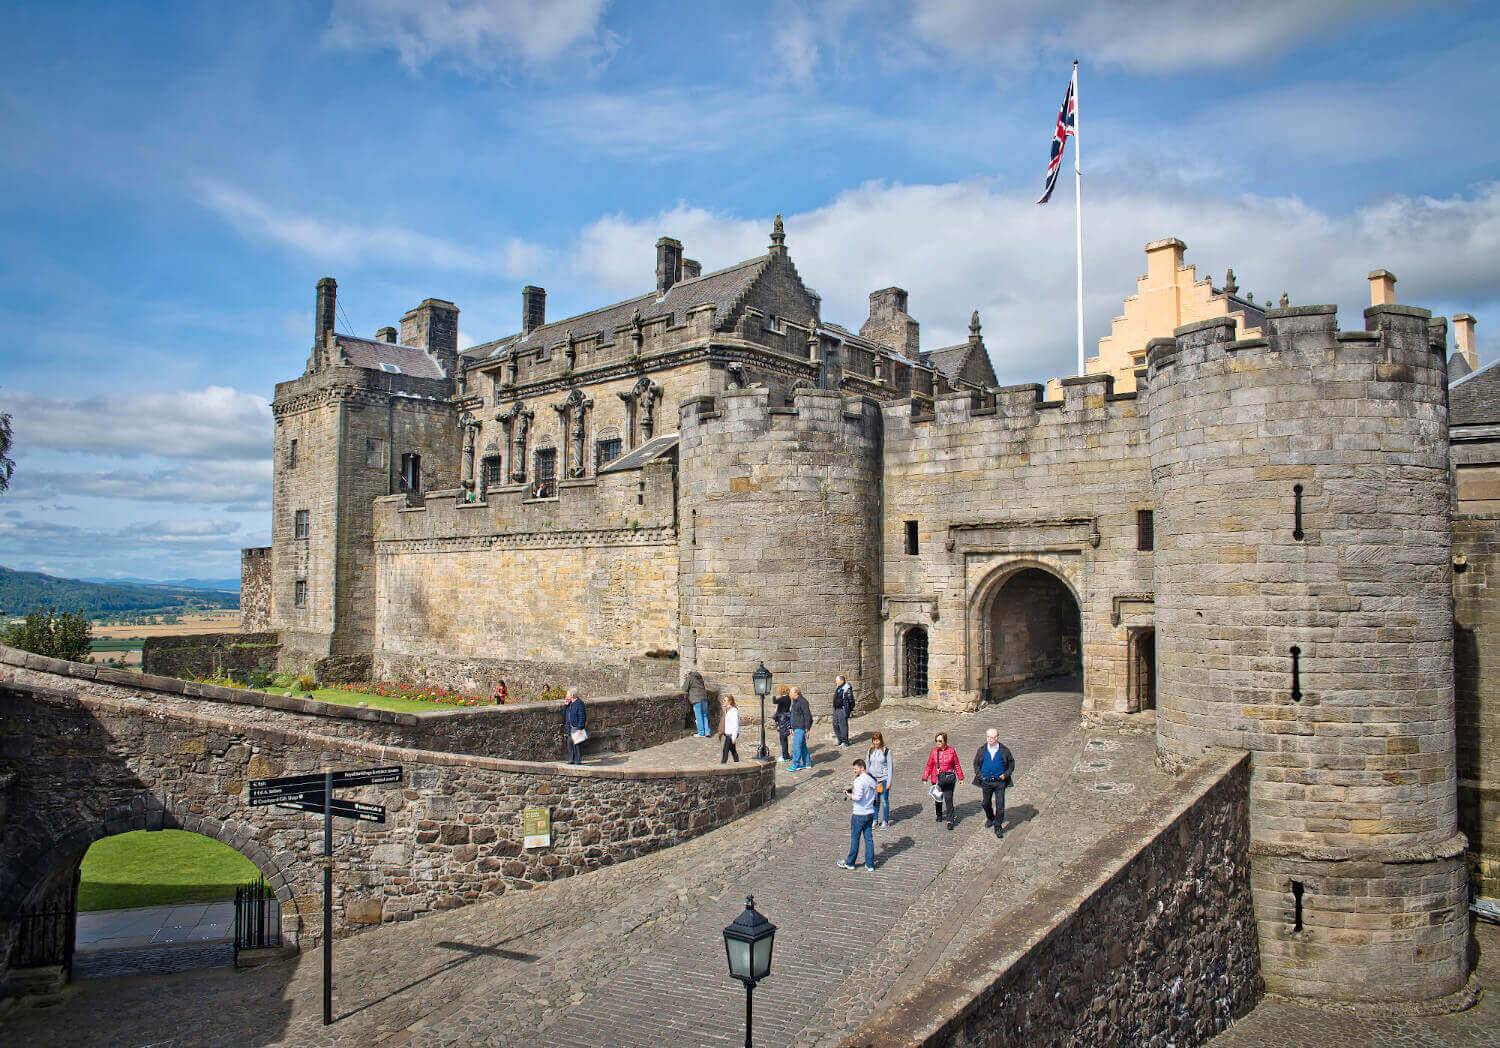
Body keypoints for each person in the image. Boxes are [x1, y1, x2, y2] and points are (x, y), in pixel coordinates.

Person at [973, 728, 1016, 838]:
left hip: (999, 782)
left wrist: (1005, 775)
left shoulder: (1004, 750)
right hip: (986, 781)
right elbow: (976, 764)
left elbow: (1011, 764)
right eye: (988, 737)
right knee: (985, 803)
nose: (990, 739)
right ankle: (991, 817)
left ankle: (998, 826)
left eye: (992, 737)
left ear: (997, 737)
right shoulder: (982, 750)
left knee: (1000, 805)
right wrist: (980, 776)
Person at [838, 757, 879, 871]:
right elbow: (874, 793)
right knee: (868, 839)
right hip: (870, 812)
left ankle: (850, 862)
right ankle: (870, 864)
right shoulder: (871, 780)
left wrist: (848, 795)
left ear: (862, 768)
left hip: (859, 813)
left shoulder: (860, 781)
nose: (854, 771)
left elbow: (858, 797)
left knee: (855, 838)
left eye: (856, 769)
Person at [921, 731, 963, 829]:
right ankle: (939, 814)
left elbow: (956, 764)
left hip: (948, 778)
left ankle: (950, 820)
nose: (938, 743)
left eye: (940, 741)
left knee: (948, 799)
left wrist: (961, 777)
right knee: (938, 798)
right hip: (937, 779)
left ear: (945, 741)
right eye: (936, 741)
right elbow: (929, 765)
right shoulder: (934, 752)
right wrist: (925, 777)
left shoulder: (951, 751)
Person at [866, 731, 893, 827]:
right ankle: (875, 819)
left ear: (880, 740)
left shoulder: (886, 751)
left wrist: (889, 781)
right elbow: (867, 765)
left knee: (884, 800)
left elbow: (890, 767)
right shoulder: (870, 751)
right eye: (874, 740)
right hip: (873, 780)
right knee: (875, 801)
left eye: (877, 740)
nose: (876, 742)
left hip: (883, 779)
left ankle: (885, 820)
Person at [788, 686, 813, 771]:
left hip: (800, 727)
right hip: (795, 726)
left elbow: (807, 715)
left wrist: (807, 727)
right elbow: (793, 715)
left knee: (796, 746)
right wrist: (791, 727)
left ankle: (796, 764)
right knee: (802, 746)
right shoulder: (794, 702)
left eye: (791, 692)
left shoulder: (802, 701)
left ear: (796, 693)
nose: (789, 694)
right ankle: (807, 763)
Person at [563, 689, 587, 765]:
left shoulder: (579, 703)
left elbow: (582, 716)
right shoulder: (570, 703)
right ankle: (571, 759)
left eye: (568, 694)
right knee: (570, 743)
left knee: (577, 744)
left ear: (572, 695)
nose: (566, 696)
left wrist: (580, 727)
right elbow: (565, 714)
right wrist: (565, 705)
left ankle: (578, 760)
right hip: (570, 727)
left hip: (576, 727)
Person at [685, 667, 711, 737]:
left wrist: (687, 679)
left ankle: (701, 733)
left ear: (688, 674)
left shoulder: (690, 677)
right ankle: (707, 731)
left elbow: (684, 688)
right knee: (704, 715)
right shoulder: (700, 678)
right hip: (704, 698)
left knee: (698, 716)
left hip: (696, 699)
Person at [832, 674, 854, 747]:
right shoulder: (838, 687)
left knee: (843, 725)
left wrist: (849, 710)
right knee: (835, 724)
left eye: (837, 681)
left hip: (842, 709)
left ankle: (845, 741)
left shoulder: (847, 688)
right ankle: (839, 739)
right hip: (836, 709)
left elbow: (851, 700)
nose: (836, 682)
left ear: (842, 681)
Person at [772, 684, 793, 761]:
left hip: (782, 719)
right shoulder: (788, 698)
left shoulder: (783, 698)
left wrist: (773, 695)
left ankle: (785, 756)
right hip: (786, 718)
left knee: (782, 738)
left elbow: (774, 701)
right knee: (784, 738)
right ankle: (786, 754)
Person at [720, 694, 741, 764]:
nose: (723, 702)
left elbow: (735, 725)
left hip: (731, 735)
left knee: (725, 750)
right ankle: (737, 762)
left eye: (725, 700)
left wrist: (734, 737)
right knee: (733, 750)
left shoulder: (734, 711)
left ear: (730, 702)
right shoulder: (728, 710)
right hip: (728, 734)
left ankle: (723, 764)